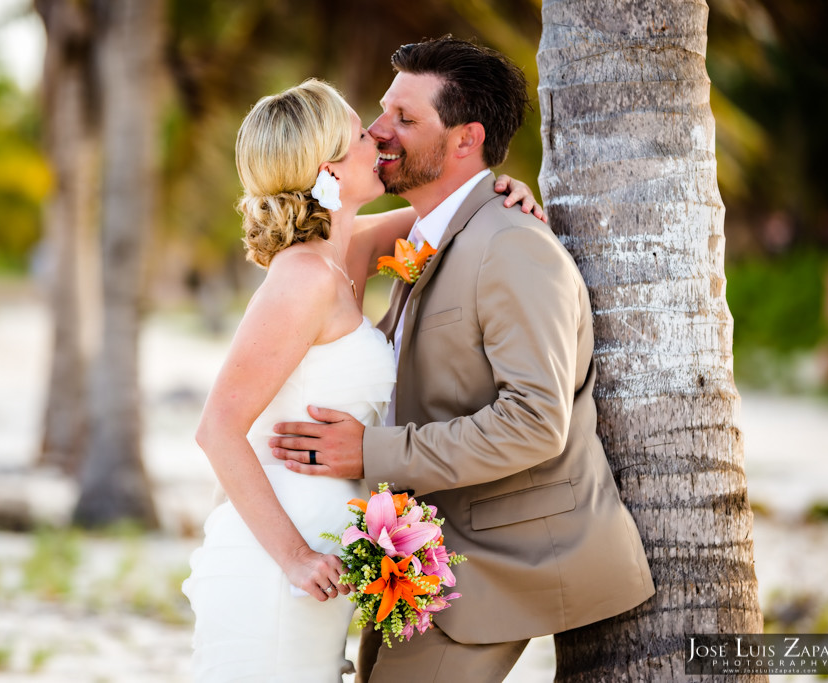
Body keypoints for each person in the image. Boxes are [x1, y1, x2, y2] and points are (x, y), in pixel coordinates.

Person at [269, 37, 655, 682]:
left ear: (465, 139)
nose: (377, 130)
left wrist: (372, 453)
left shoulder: (510, 246)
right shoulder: (432, 234)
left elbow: (534, 421)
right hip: (420, 557)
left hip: (498, 561)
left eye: (405, 119)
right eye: (384, 110)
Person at [182, 78, 540, 681]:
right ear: (328, 170)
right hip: (280, 564)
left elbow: (447, 216)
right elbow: (217, 429)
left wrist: (501, 191)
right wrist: (295, 559)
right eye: (358, 136)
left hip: (321, 561)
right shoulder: (304, 279)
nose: (377, 137)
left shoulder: (341, 253)